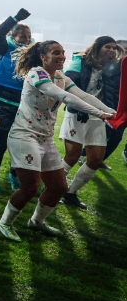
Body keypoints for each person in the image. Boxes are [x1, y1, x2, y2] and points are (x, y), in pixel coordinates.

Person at [0, 41, 114, 242]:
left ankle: (37, 222)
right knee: (30, 188)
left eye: (62, 52)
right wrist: (100, 114)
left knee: (59, 187)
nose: (62, 56)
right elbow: (64, 97)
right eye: (55, 53)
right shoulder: (36, 73)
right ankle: (4, 223)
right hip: (24, 135)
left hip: (45, 138)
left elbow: (84, 95)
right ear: (43, 57)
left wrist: (113, 112)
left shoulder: (60, 76)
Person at [59, 36, 124, 208]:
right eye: (107, 47)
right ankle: (52, 188)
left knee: (95, 160)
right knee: (72, 157)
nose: (111, 50)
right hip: (78, 114)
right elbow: (68, 82)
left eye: (114, 48)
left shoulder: (112, 68)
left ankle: (70, 192)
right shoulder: (80, 60)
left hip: (99, 117)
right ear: (97, 47)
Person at [0, 11, 33, 193]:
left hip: (22, 107)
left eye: (29, 37)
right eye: (22, 36)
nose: (26, 39)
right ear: (13, 36)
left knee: (19, 146)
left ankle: (13, 175)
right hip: (3, 104)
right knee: (1, 145)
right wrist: (15, 19)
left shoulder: (32, 53)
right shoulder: (5, 47)